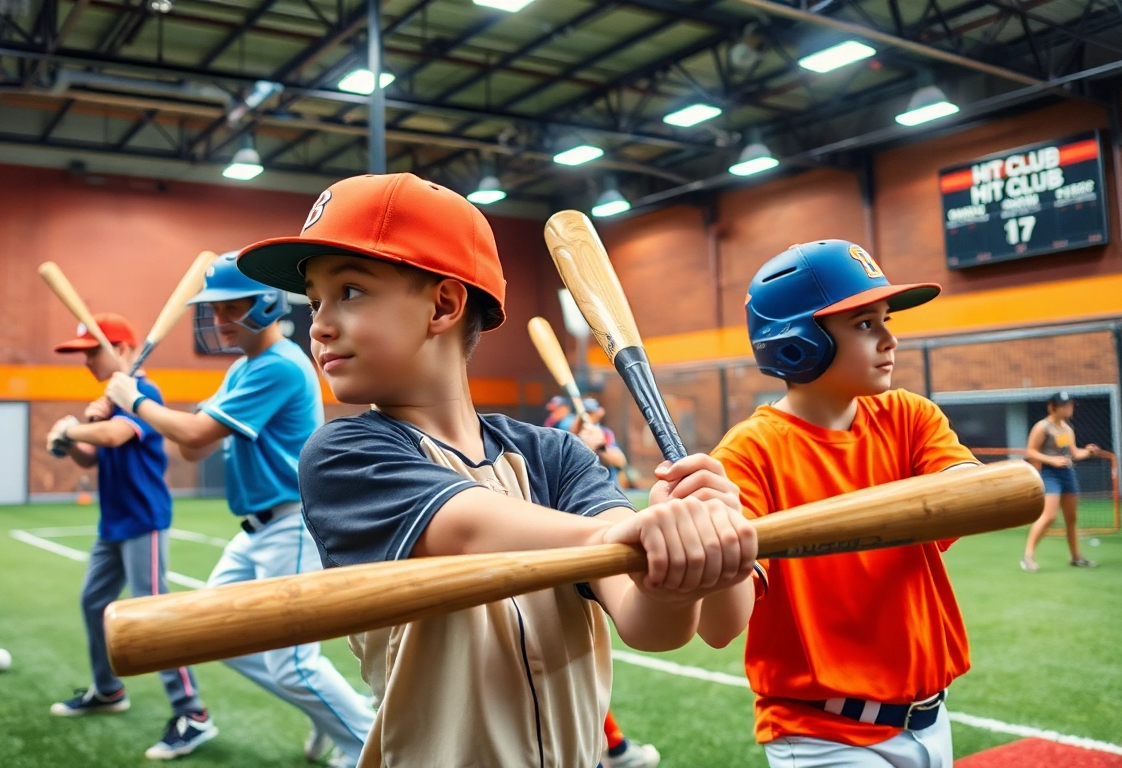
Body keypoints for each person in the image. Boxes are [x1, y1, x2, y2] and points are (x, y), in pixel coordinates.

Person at [236, 172, 762, 767]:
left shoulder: (554, 456)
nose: (320, 324)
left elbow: (651, 628)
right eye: (314, 302)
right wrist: (624, 533)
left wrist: (688, 540)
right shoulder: (345, 455)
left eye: (350, 292)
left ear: (444, 304)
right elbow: (468, 529)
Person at [713, 240, 979, 768]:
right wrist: (713, 554)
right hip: (820, 734)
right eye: (864, 324)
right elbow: (721, 626)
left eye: (884, 319)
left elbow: (970, 495)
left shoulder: (908, 417)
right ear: (798, 343)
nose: (890, 338)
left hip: (931, 720)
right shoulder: (750, 453)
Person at [103, 254, 375, 767]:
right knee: (217, 635)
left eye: (232, 308)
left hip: (291, 522)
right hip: (256, 529)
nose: (220, 319)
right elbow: (192, 447)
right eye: (216, 309)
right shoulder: (243, 367)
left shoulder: (279, 366)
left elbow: (196, 433)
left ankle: (369, 748)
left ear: (268, 304)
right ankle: (332, 718)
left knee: (293, 665)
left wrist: (132, 399)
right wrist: (130, 399)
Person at [45, 313, 215, 761]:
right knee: (93, 603)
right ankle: (108, 690)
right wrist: (69, 443)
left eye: (92, 351)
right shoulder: (106, 398)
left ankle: (191, 712)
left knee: (153, 612)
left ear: (122, 350)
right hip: (112, 523)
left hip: (144, 519)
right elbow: (90, 456)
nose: (85, 361)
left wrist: (71, 429)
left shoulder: (142, 394)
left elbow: (115, 435)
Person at [548, 398, 655, 768]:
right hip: (570, 533)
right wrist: (581, 442)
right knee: (570, 655)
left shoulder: (601, 432)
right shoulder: (560, 434)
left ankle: (613, 746)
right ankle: (615, 746)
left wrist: (602, 448)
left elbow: (621, 465)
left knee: (584, 653)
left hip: (607, 514)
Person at [1020, 391, 1104, 572]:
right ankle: (1027, 556)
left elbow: (1073, 453)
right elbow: (1031, 452)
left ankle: (1075, 557)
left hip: (1068, 473)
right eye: (1064, 405)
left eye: (1070, 405)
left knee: (1071, 518)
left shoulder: (1067, 429)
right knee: (1049, 516)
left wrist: (1088, 452)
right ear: (1052, 407)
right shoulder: (1042, 427)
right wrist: (1052, 461)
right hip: (1050, 474)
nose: (1069, 408)